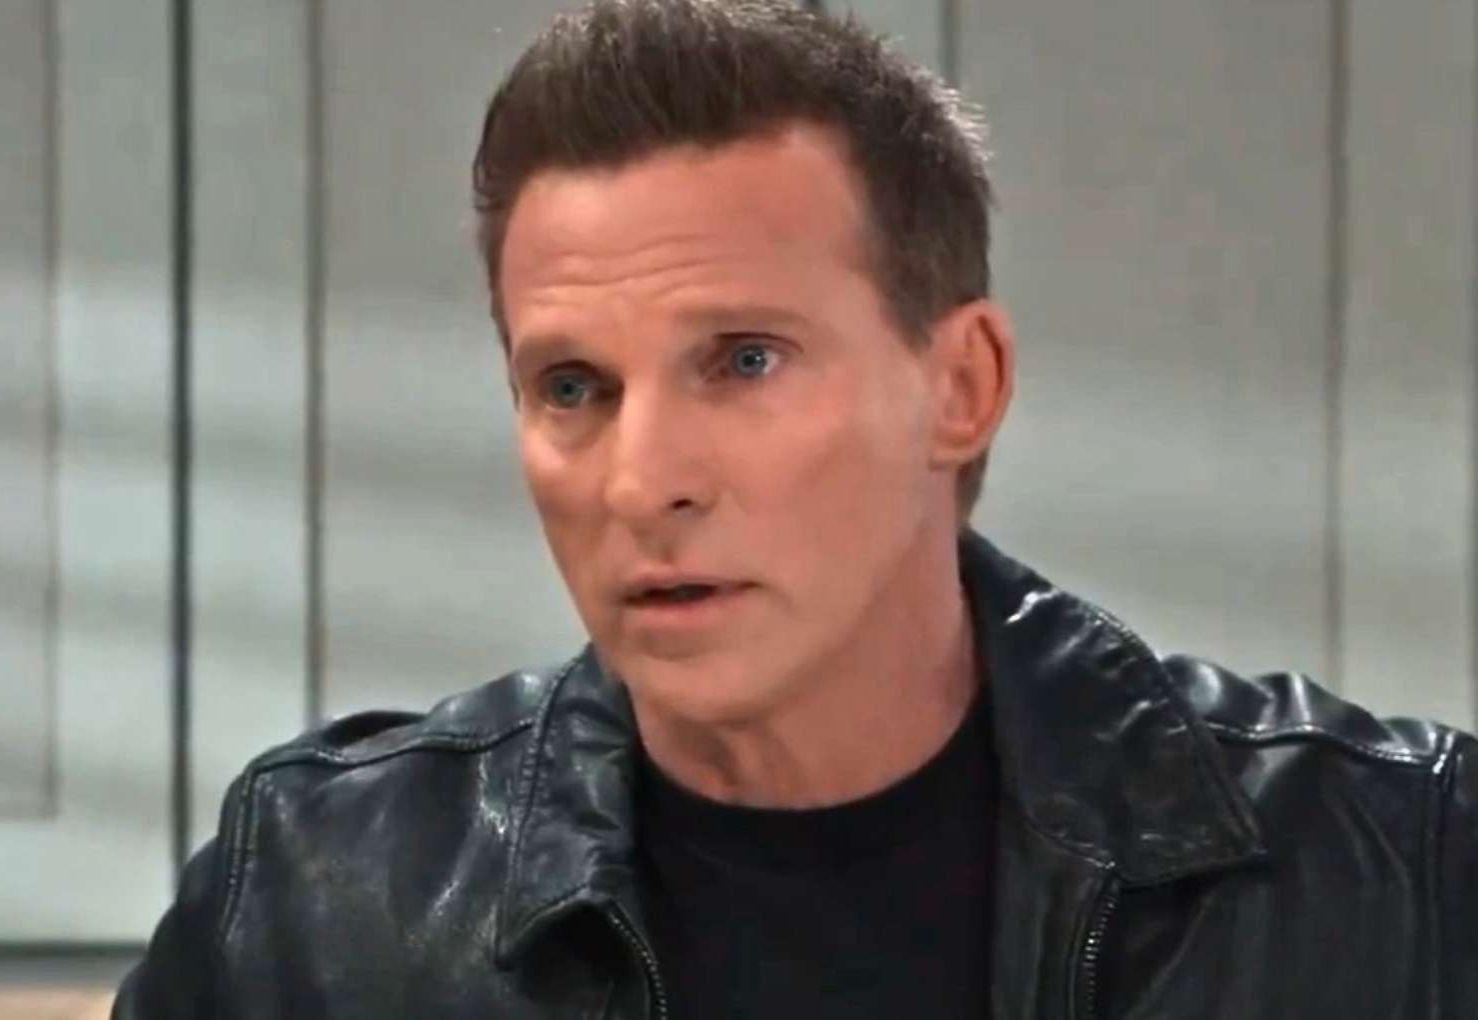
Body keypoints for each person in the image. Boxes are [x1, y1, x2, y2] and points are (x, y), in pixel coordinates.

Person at [112, 2, 1477, 1016]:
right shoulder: (315, 907)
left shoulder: (1397, 873)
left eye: (745, 361)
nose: (644, 480)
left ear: (960, 386)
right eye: (574, 386)